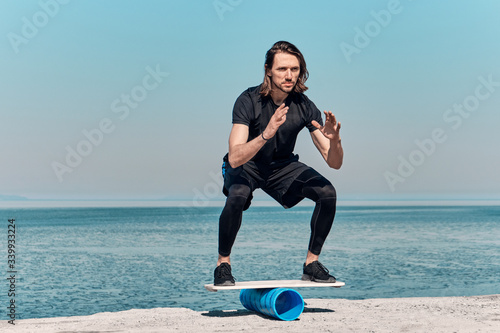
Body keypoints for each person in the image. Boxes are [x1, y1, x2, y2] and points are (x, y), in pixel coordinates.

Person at [214, 41, 343, 286]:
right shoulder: (248, 100)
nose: (289, 75)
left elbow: (333, 162)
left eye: (294, 69)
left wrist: (335, 141)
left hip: (282, 167)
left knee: (327, 193)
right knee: (237, 195)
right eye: (283, 69)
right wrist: (266, 133)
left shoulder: (304, 105)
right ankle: (223, 264)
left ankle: (311, 264)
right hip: (247, 165)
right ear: (268, 70)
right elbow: (234, 157)